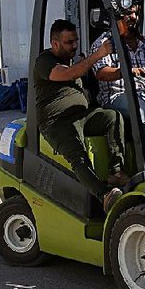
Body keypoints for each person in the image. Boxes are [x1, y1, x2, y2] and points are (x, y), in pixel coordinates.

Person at [33, 19, 128, 212]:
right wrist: (98, 54)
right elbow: (69, 73)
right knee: (79, 156)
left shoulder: (73, 60)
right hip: (56, 121)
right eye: (69, 42)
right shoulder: (45, 61)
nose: (74, 46)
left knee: (112, 116)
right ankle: (104, 195)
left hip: (81, 116)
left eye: (75, 41)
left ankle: (116, 172)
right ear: (55, 43)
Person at [90, 3, 145, 124]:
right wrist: (127, 72)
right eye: (129, 13)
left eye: (136, 13)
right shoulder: (104, 43)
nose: (134, 17)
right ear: (117, 16)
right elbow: (101, 73)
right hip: (117, 96)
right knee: (140, 109)